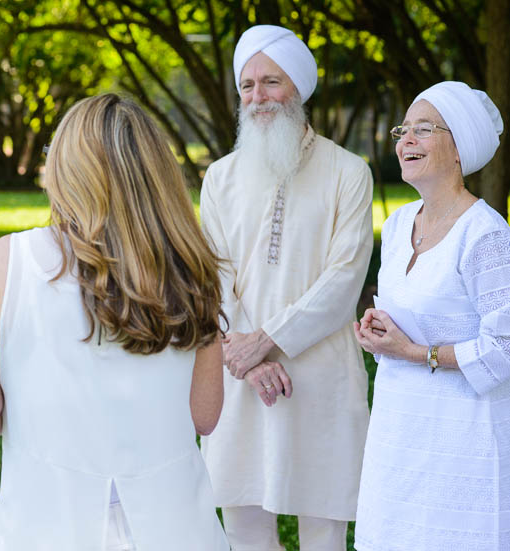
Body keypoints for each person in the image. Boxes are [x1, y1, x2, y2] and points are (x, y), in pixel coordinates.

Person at [0, 93, 230, 550]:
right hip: (176, 525)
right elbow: (204, 414)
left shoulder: (12, 260)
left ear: (65, 170)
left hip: (49, 524)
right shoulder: (191, 267)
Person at [199, 24, 374, 550]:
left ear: (298, 88)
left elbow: (345, 277)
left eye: (271, 82)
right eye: (248, 86)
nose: (258, 97)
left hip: (320, 376)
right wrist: (247, 356)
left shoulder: (349, 172)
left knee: (325, 528)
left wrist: (265, 340)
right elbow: (214, 276)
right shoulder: (220, 178)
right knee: (245, 527)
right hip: (239, 374)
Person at [353, 82, 508, 549]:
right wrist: (377, 331)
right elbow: (403, 316)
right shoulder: (399, 224)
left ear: (459, 150)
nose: (405, 141)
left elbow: (504, 349)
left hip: (463, 438)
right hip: (397, 432)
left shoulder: (486, 235)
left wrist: (416, 352)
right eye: (404, 130)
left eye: (424, 130)